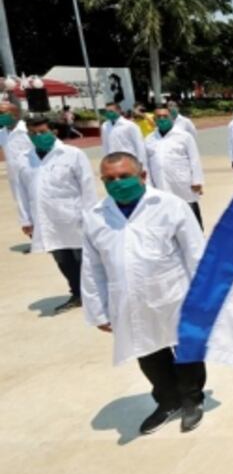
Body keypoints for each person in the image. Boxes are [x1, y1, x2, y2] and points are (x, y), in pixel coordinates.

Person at [81, 151, 209, 433]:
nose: (117, 183)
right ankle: (168, 401)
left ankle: (192, 399)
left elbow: (196, 253)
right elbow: (92, 268)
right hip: (128, 299)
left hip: (173, 294)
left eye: (124, 176)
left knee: (185, 350)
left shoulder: (170, 206)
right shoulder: (95, 216)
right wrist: (98, 311)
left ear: (142, 176)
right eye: (110, 179)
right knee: (147, 351)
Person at [16, 115, 97, 312]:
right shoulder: (23, 159)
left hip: (73, 216)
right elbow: (21, 191)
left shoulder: (73, 154)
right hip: (46, 219)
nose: (38, 136)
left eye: (42, 132)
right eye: (33, 133)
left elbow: (87, 187)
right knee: (62, 259)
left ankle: (94, 294)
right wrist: (26, 219)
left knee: (83, 258)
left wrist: (91, 215)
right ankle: (77, 294)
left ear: (54, 131)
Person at [145, 106, 206, 229]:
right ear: (154, 120)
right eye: (158, 117)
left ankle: (198, 235)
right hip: (160, 182)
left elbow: (194, 159)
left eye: (165, 116)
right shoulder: (149, 139)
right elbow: (146, 164)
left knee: (190, 212)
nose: (162, 119)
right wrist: (148, 185)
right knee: (166, 213)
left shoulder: (184, 136)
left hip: (183, 182)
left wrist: (197, 181)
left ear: (172, 118)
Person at [0, 101, 33, 220]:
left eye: (2, 113)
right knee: (22, 204)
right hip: (15, 176)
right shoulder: (2, 133)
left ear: (15, 114)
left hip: (33, 175)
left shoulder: (29, 131)